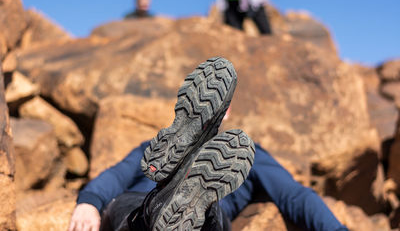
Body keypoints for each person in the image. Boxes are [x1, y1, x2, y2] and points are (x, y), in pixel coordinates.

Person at [68, 57, 348, 231]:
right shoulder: (159, 145)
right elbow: (118, 175)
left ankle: (175, 210)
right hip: (154, 206)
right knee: (140, 208)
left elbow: (293, 196)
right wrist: (90, 203)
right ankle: (162, 211)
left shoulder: (245, 154)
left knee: (189, 211)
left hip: (183, 209)